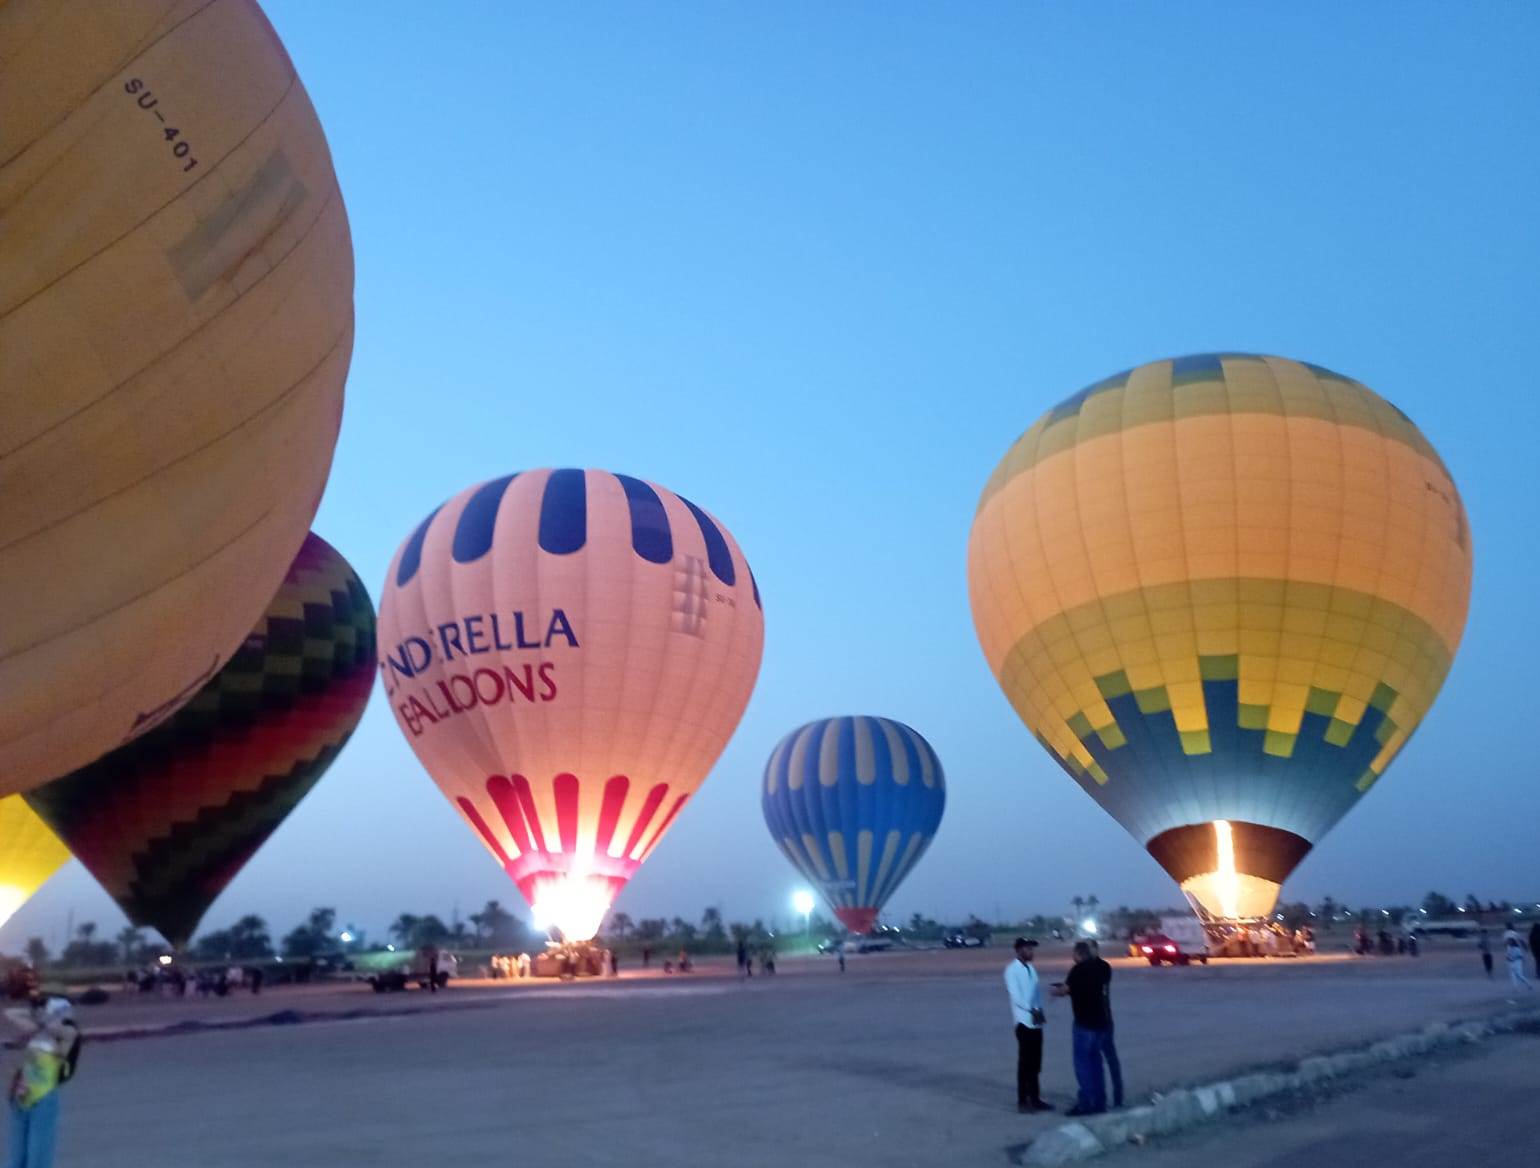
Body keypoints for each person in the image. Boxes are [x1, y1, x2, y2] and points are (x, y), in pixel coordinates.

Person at [5, 996, 78, 1168]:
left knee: (38, 1160)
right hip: (21, 1096)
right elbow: (9, 1014)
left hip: (43, 1098)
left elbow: (61, 1031)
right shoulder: (36, 1031)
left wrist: (44, 1021)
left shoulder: (68, 1034)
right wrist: (34, 1013)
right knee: (17, 1159)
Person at [1053, 940, 1114, 1116]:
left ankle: (1086, 1102)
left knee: (1083, 1065)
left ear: (1078, 954)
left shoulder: (1078, 970)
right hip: (1102, 1023)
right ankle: (1100, 1102)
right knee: (1096, 1064)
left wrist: (1056, 991)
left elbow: (1066, 990)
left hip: (1084, 1024)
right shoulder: (1103, 968)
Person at [1004, 937, 1052, 1114]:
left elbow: (1035, 994)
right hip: (1023, 1022)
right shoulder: (1011, 970)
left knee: (1036, 1063)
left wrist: (1039, 1011)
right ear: (1019, 950)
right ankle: (1023, 1100)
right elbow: (1017, 997)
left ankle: (1035, 1098)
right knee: (1025, 1064)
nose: (1031, 952)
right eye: (1028, 949)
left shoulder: (1031, 968)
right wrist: (1032, 1009)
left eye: (1032, 949)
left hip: (1035, 1022)